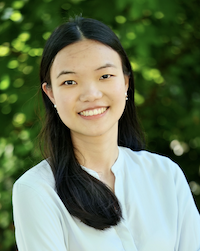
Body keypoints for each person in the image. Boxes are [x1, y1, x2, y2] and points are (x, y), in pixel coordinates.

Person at [12, 16, 200, 251]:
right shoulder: (37, 190)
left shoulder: (166, 175)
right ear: (51, 95)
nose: (91, 94)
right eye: (70, 82)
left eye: (105, 76)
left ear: (126, 83)